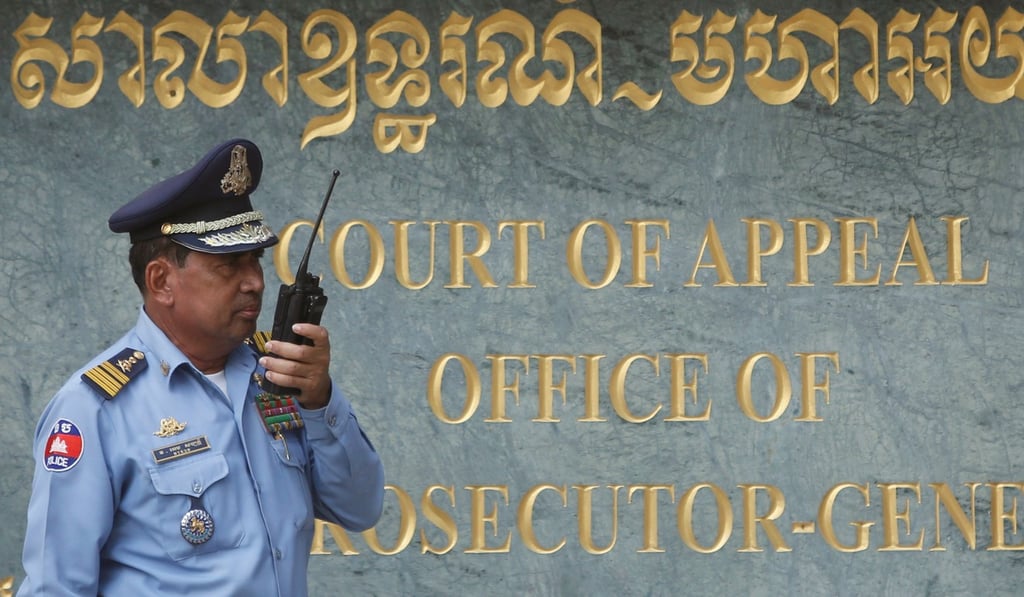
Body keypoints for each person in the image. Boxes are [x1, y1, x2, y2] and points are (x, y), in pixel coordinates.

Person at [18, 138, 385, 596]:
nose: (254, 282)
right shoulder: (94, 410)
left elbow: (361, 508)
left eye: (255, 261)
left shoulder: (272, 375)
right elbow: (57, 586)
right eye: (229, 265)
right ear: (161, 281)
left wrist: (320, 402)